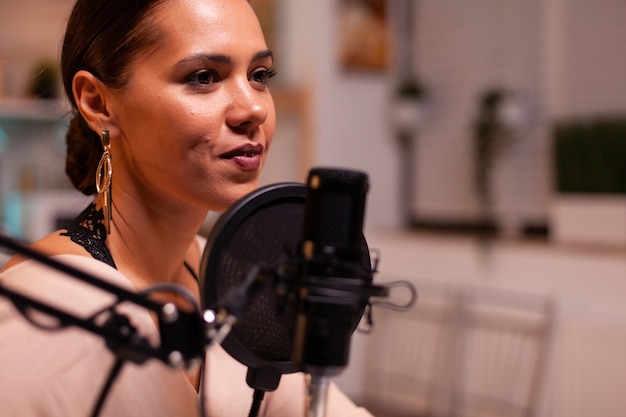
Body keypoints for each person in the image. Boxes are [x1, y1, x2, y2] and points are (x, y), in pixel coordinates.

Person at [0, 0, 374, 416]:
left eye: (259, 75)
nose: (253, 109)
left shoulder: (225, 276)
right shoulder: (43, 313)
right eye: (204, 77)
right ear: (99, 103)